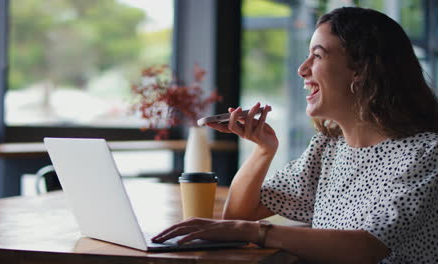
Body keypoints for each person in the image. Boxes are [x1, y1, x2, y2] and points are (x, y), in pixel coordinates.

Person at [152, 7, 438, 264]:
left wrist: (254, 232)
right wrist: (263, 150)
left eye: (317, 55)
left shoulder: (427, 153)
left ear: (361, 69)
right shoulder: (328, 148)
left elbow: (366, 247)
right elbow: (239, 215)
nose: (302, 69)